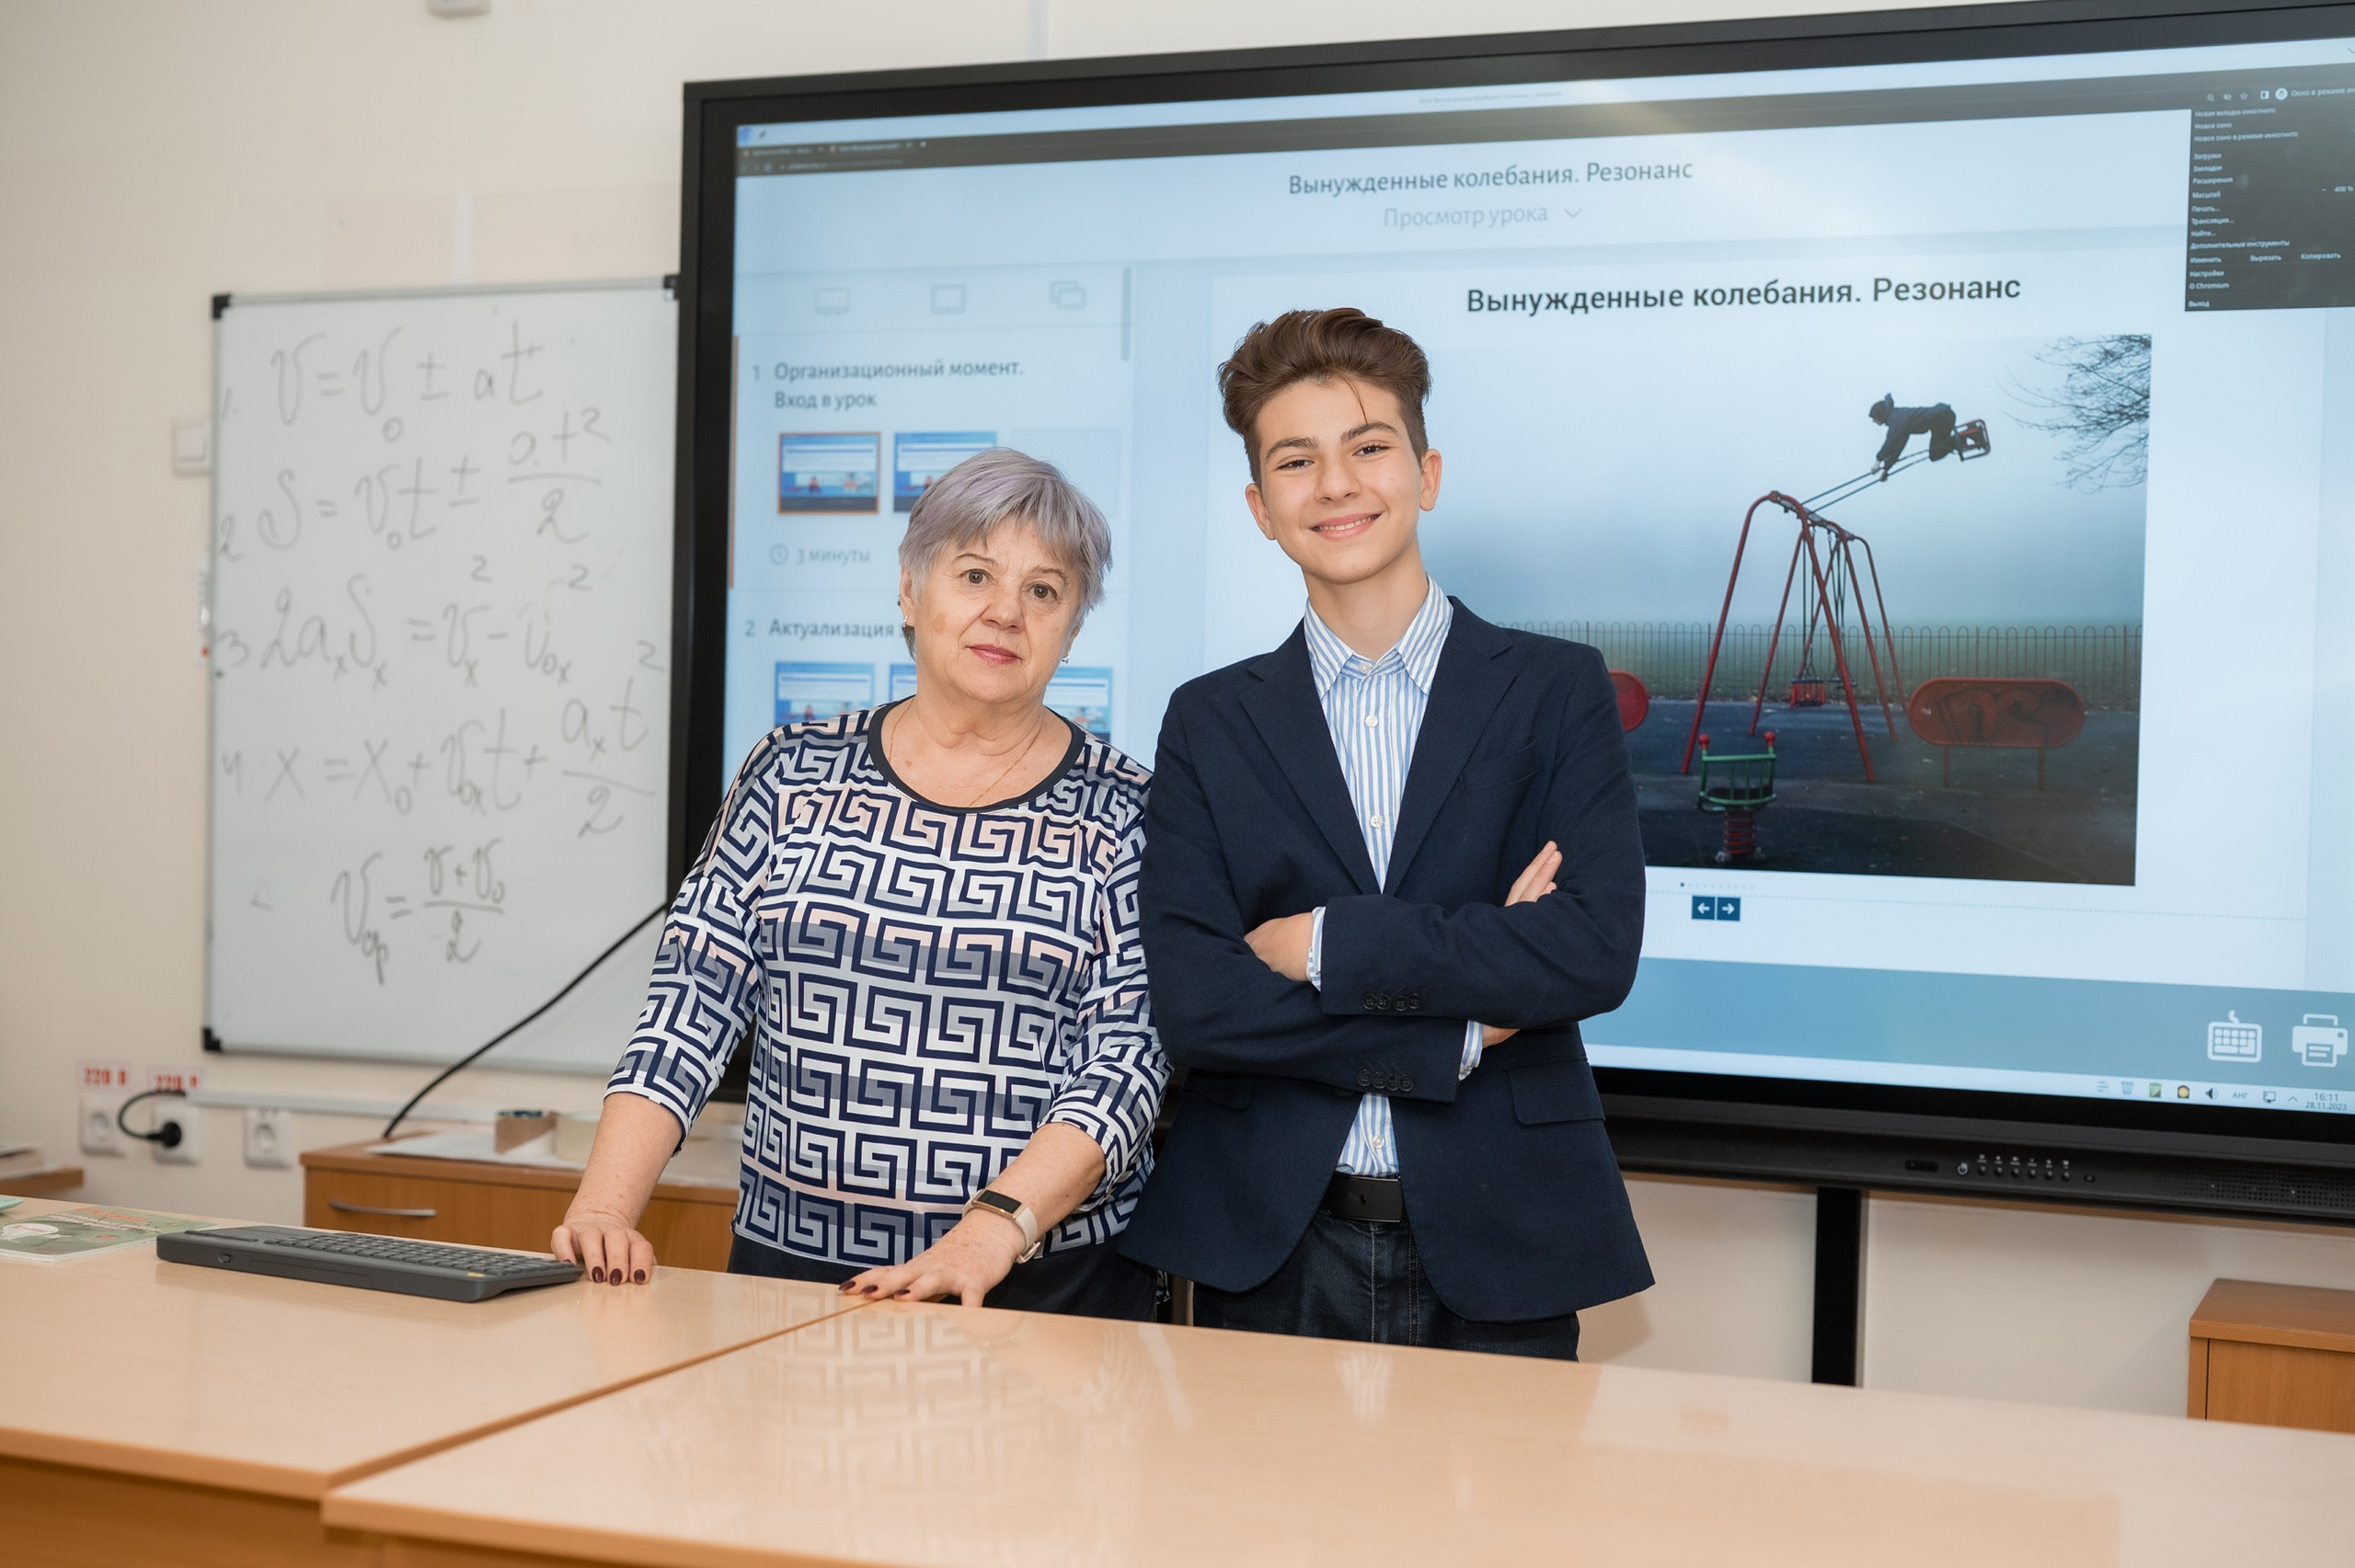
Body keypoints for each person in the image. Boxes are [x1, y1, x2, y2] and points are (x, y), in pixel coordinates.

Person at [1119, 307, 1652, 1358]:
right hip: (1265, 1241)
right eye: (1295, 461)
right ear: (1260, 506)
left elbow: (1589, 949)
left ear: (1427, 471)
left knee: (1504, 1530)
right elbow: (1201, 1006)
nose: (1336, 485)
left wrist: (1321, 945)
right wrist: (1457, 1028)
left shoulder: (1555, 689)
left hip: (1507, 1230)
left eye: (1367, 448)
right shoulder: (1210, 718)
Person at [557, 449, 1166, 1319]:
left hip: (1035, 1288)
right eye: (974, 574)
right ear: (912, 592)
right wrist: (605, 1207)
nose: (1005, 611)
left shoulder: (1127, 811)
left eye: (1044, 590)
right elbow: (689, 1004)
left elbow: (1127, 1064)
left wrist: (989, 1229)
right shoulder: (791, 771)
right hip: (788, 1277)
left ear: (1072, 627)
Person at [1868, 394, 1959, 476]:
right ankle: (1958, 441)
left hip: (1942, 418)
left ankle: (1959, 441)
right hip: (1943, 417)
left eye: (1874, 418)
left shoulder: (1896, 419)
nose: (1874, 421)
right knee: (1936, 452)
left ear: (1880, 414)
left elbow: (1890, 441)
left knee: (1936, 452)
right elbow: (1898, 446)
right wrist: (1886, 468)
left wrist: (1878, 460)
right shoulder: (1897, 419)